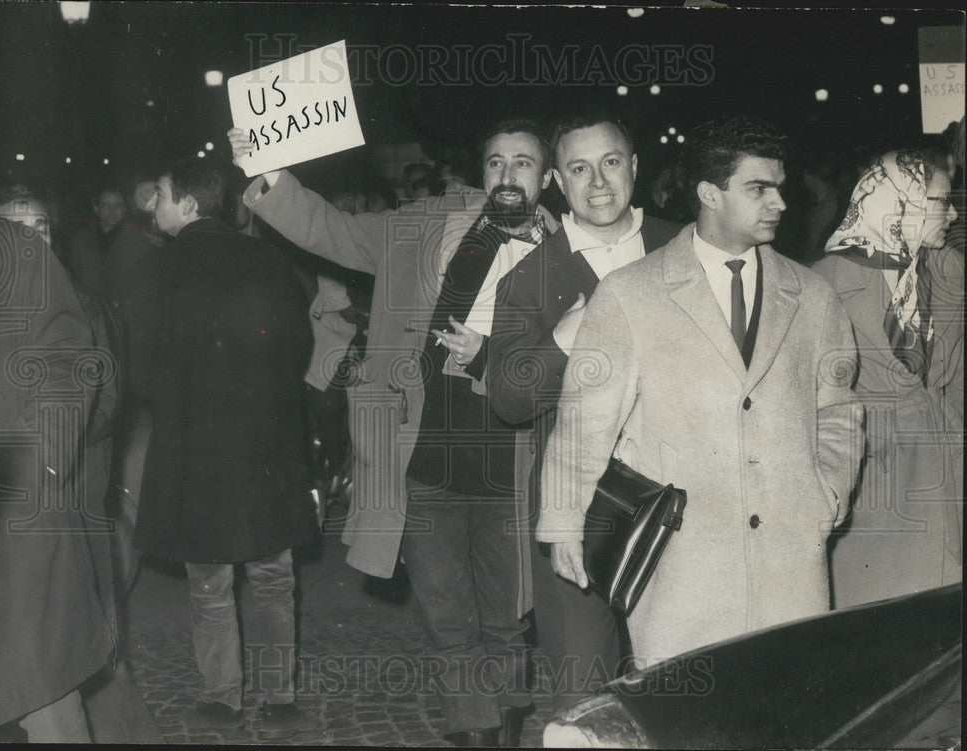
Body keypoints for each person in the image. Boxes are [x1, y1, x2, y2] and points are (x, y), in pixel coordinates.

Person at [229, 119, 561, 746]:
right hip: (421, 459)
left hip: (513, 464)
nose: (508, 175)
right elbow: (333, 230)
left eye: (523, 163)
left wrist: (491, 356)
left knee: (507, 621)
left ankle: (507, 721)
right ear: (481, 172)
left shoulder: (571, 254)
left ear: (546, 178)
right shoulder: (421, 227)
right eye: (496, 162)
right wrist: (266, 173)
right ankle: (478, 732)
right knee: (447, 619)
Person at [537, 116, 864, 669]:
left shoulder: (813, 296)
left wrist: (825, 497)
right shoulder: (630, 294)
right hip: (681, 567)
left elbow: (839, 411)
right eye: (759, 188)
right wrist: (565, 522)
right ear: (710, 194)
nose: (780, 203)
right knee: (688, 716)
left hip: (789, 561)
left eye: (780, 187)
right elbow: (584, 421)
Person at [487, 114, 680, 711]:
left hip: (684, 503)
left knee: (684, 688)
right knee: (585, 698)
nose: (598, 182)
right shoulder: (530, 275)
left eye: (612, 162)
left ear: (635, 167)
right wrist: (563, 338)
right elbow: (510, 400)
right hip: (579, 515)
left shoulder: (685, 248)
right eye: (579, 168)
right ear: (558, 184)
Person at [133, 161, 322, 740]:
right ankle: (280, 699)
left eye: (160, 194)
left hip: (196, 448)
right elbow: (298, 346)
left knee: (209, 582)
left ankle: (221, 700)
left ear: (189, 205)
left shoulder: (159, 269)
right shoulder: (268, 260)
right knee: (271, 574)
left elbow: (143, 365)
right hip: (266, 442)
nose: (153, 205)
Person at [0, 216, 117, 742]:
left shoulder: (9, 250)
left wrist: (44, 454)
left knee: (45, 701)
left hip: (8, 540)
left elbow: (68, 354)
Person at [813, 149, 963, 608]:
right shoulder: (823, 285)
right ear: (901, 203)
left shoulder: (945, 271)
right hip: (876, 487)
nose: (953, 213)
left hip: (948, 469)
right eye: (940, 201)